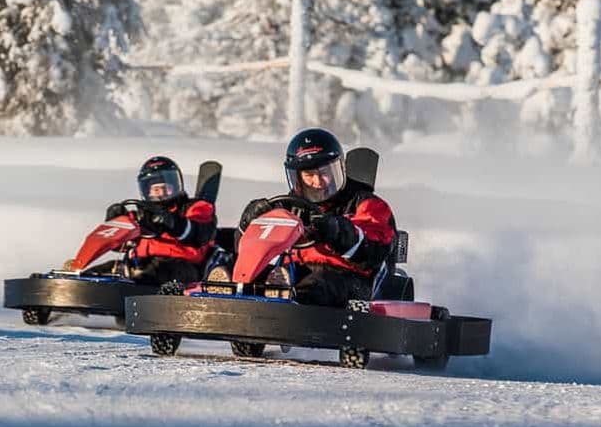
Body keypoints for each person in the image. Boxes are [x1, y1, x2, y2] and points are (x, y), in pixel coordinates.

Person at [238, 128, 395, 307]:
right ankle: (232, 297)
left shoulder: (366, 203)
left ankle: (290, 306)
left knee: (319, 285)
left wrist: (337, 231)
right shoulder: (287, 207)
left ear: (339, 169)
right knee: (254, 277)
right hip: (293, 273)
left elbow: (375, 249)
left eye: (324, 173)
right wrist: (250, 222)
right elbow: (247, 251)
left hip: (348, 280)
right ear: (297, 177)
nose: (318, 182)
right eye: (309, 175)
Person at [93, 156, 217, 286]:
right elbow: (119, 245)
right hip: (138, 264)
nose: (161, 193)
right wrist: (115, 221)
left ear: (176, 186)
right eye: (156, 189)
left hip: (181, 266)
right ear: (147, 191)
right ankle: (77, 281)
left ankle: (139, 294)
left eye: (166, 187)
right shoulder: (142, 215)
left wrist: (172, 222)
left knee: (155, 274)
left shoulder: (195, 207)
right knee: (101, 274)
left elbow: (200, 234)